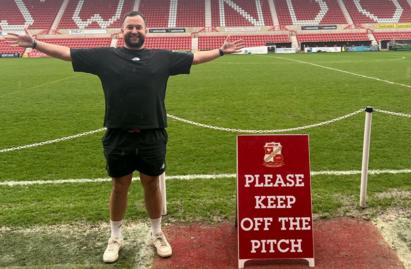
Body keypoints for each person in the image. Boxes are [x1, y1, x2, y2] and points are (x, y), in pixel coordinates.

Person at [2, 11, 244, 263]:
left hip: (153, 132)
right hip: (118, 134)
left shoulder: (162, 58)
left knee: (151, 183)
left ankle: (157, 233)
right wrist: (34, 44)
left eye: (138, 27)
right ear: (122, 31)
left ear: (145, 31)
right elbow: (67, 53)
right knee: (120, 185)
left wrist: (221, 51)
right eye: (130, 27)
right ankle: (115, 237)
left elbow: (194, 58)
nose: (134, 31)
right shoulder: (105, 57)